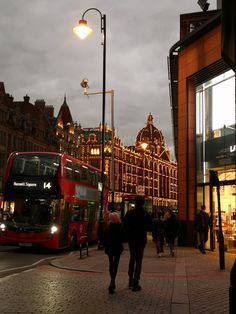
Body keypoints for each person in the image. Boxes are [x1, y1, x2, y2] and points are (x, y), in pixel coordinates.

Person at [123, 195, 152, 292]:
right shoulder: (146, 214)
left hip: (132, 239)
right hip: (141, 240)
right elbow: (149, 227)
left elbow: (125, 225)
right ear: (143, 203)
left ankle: (130, 280)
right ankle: (136, 282)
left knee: (132, 258)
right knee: (139, 260)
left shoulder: (130, 213)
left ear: (135, 203)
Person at [103, 211, 124, 294]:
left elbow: (104, 238)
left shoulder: (108, 227)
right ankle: (112, 281)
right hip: (118, 248)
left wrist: (105, 245)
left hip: (110, 248)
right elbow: (123, 238)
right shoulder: (120, 227)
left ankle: (112, 281)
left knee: (111, 263)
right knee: (116, 264)